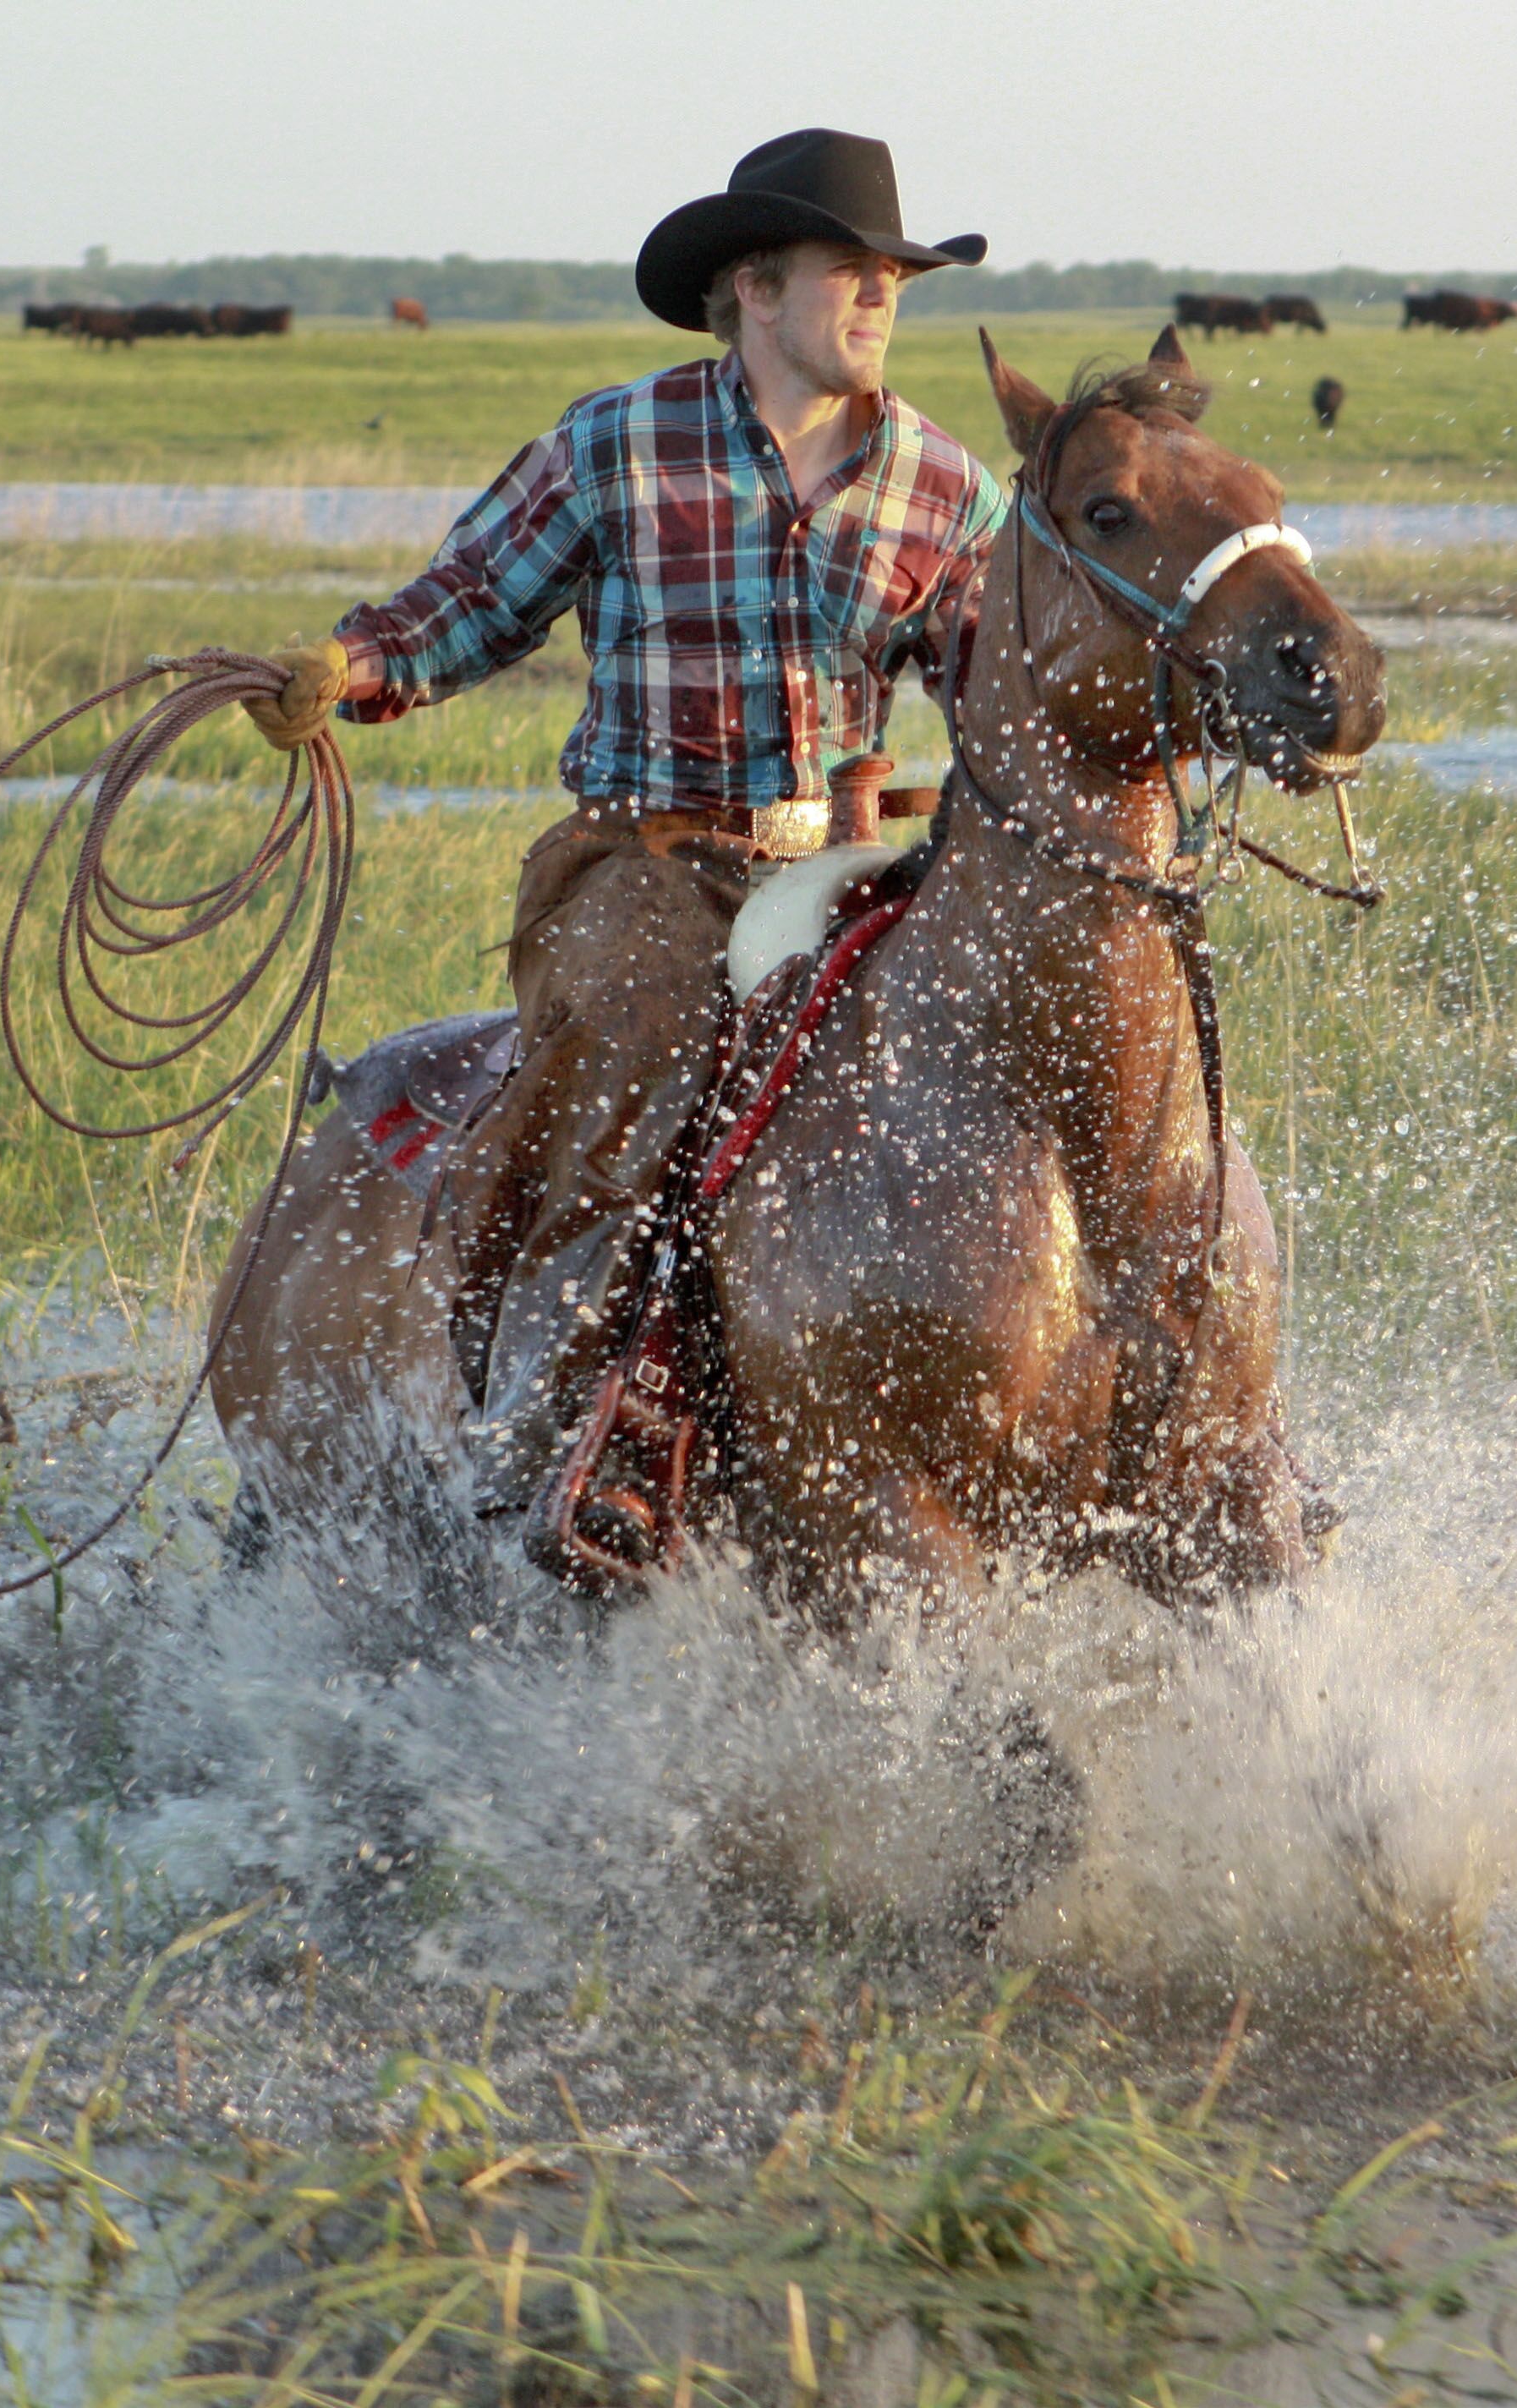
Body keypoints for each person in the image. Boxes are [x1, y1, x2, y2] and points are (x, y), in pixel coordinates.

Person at [239, 129, 1007, 1561]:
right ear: (755, 291)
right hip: (643, 860)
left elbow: (994, 693)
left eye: (891, 275)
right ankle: (561, 1402)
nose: (879, 297)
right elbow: (470, 602)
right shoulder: (616, 446)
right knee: (649, 1032)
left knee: (994, 1070)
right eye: (851, 271)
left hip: (847, 869)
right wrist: (348, 668)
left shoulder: (949, 491)